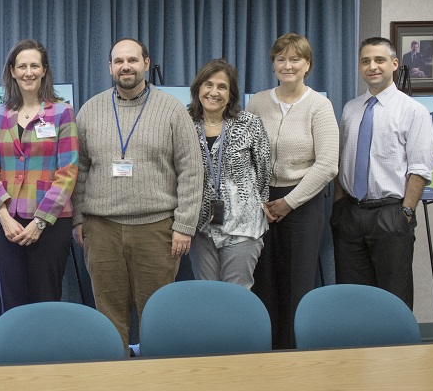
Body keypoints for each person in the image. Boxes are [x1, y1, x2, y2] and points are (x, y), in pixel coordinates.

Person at [72, 38, 203, 352]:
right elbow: (79, 170)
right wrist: (78, 219)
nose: (125, 67)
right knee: (108, 313)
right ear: (110, 67)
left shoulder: (172, 109)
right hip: (101, 229)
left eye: (132, 60)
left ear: (146, 63)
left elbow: (192, 169)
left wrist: (185, 225)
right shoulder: (90, 109)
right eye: (118, 61)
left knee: (156, 314)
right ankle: (115, 380)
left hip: (155, 229)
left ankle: (156, 382)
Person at [246, 33, 339, 349]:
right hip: (260, 204)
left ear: (307, 65)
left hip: (303, 204)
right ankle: (264, 351)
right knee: (263, 283)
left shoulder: (319, 105)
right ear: (273, 64)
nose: (287, 65)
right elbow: (244, 154)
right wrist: (261, 200)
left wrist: (288, 202)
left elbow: (327, 165)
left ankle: (294, 354)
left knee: (297, 285)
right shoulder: (257, 102)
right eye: (281, 59)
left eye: (295, 59)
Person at [333, 37, 433, 308]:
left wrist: (406, 213)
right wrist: (340, 207)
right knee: (352, 298)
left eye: (379, 60)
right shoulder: (351, 108)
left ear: (394, 63)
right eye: (365, 61)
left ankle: (394, 351)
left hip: (392, 214)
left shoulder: (413, 111)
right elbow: (343, 160)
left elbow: (420, 168)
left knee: (393, 299)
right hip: (351, 214)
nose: (372, 66)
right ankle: (356, 350)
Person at [0, 39, 78, 312]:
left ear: (44, 70)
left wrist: (39, 222)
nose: (28, 72)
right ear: (12, 71)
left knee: (45, 302)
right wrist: (3, 216)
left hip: (50, 224)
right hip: (5, 226)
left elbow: (68, 172)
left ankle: (45, 356)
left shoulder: (62, 112)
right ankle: (14, 356)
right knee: (11, 302)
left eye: (34, 66)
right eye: (22, 66)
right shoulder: (0, 114)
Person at [188, 59, 271, 288]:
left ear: (231, 92)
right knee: (208, 295)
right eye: (208, 84)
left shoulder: (249, 124)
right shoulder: (185, 124)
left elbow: (264, 168)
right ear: (198, 89)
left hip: (243, 226)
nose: (214, 92)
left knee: (237, 296)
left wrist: (260, 201)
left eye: (222, 86)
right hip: (200, 228)